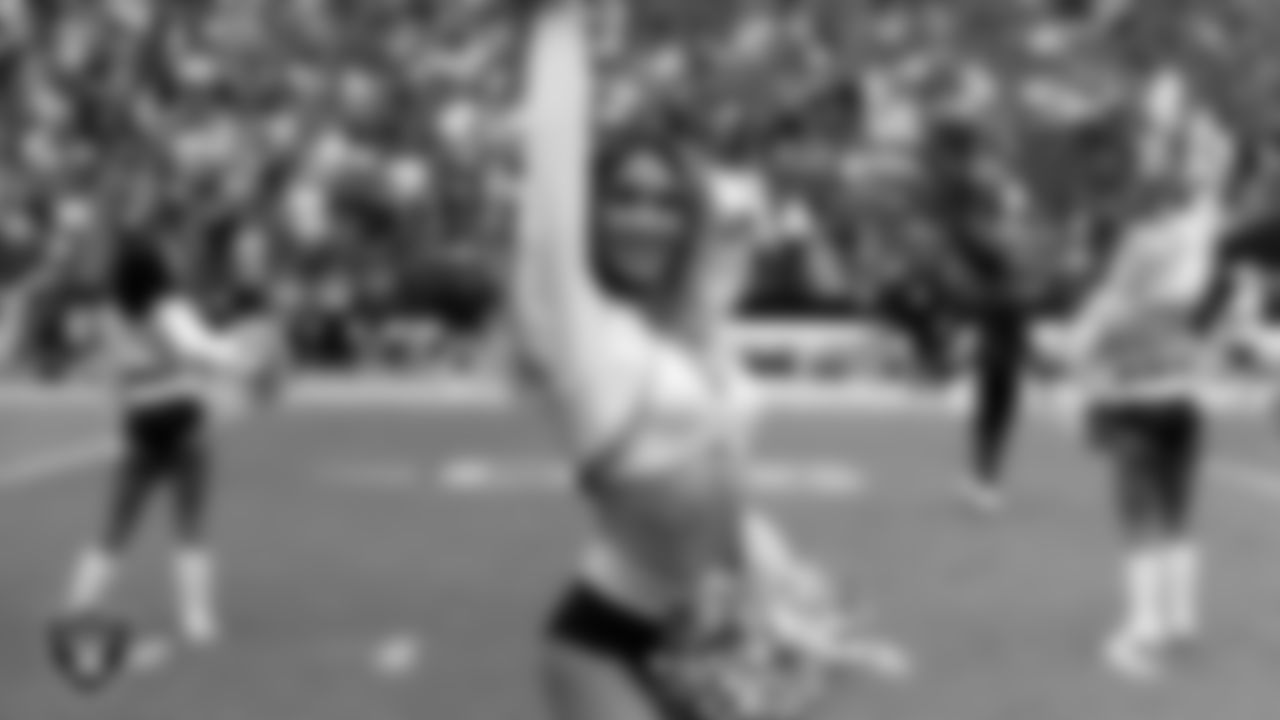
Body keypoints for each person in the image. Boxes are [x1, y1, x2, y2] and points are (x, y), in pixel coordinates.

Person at [509, 2, 906, 719]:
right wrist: (559, 27)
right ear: (592, 212)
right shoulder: (579, 329)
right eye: (624, 198)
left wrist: (774, 578)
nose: (646, 217)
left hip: (711, 640)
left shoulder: (682, 329)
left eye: (665, 202)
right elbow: (551, 172)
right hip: (604, 642)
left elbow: (721, 475)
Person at [50, 231, 280, 689]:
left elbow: (97, 365)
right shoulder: (169, 308)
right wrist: (248, 360)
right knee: (190, 526)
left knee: (115, 527)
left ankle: (78, 605)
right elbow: (201, 350)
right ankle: (197, 620)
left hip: (138, 424)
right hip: (182, 421)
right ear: (156, 266)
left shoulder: (110, 312)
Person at [1062, 74, 1234, 680]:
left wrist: (1072, 354)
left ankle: (1145, 626)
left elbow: (1097, 322)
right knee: (1180, 511)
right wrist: (1179, 118)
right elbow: (1213, 168)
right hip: (1183, 393)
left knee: (1138, 516)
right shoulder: (1199, 233)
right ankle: (1182, 619)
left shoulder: (1137, 246)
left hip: (1132, 393)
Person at [923, 121, 1035, 511]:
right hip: (996, 291)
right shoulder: (973, 186)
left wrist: (998, 257)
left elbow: (989, 235)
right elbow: (981, 235)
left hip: (998, 292)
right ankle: (984, 475)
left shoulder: (975, 185)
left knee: (998, 387)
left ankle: (986, 476)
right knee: (997, 388)